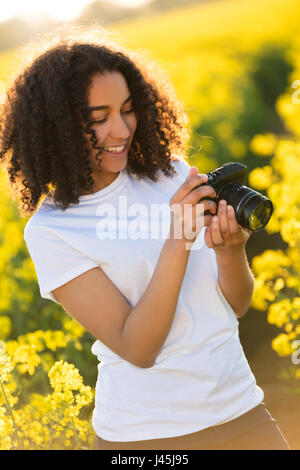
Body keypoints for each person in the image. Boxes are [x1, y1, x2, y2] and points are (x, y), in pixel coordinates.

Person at [0, 26, 291, 450]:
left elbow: (236, 306)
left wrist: (231, 251)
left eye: (128, 109)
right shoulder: (53, 231)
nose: (121, 130)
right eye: (98, 119)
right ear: (56, 127)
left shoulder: (169, 173)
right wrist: (177, 240)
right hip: (148, 438)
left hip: (242, 408)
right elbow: (139, 348)